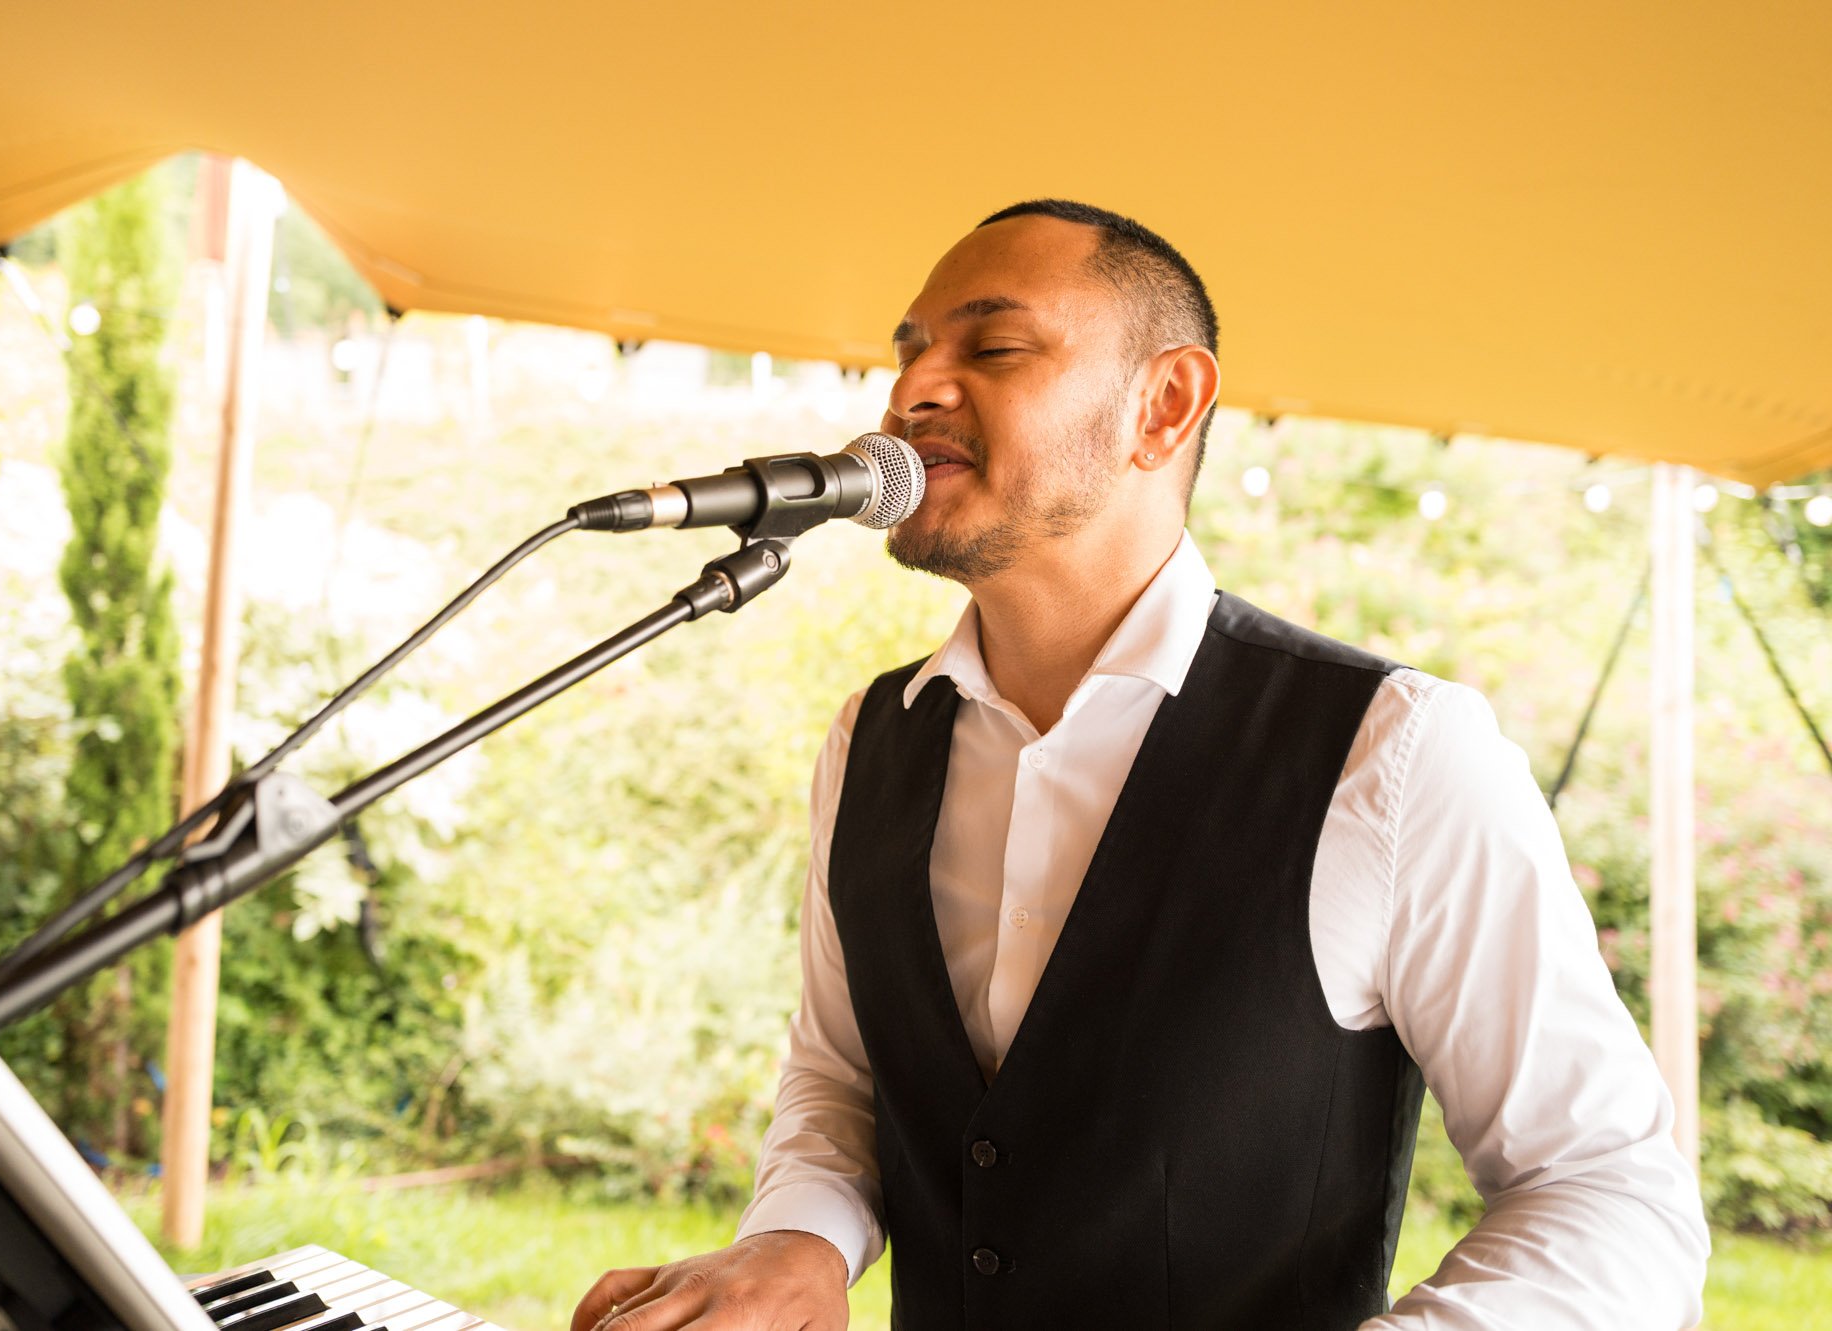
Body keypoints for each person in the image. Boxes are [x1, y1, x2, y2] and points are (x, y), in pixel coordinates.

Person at [570, 200, 1710, 1330]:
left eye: (993, 345)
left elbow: (1610, 1192)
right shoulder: (868, 740)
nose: (910, 390)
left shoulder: (1394, 751)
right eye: (908, 351)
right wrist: (799, 1238)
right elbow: (845, 1076)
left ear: (1162, 406)